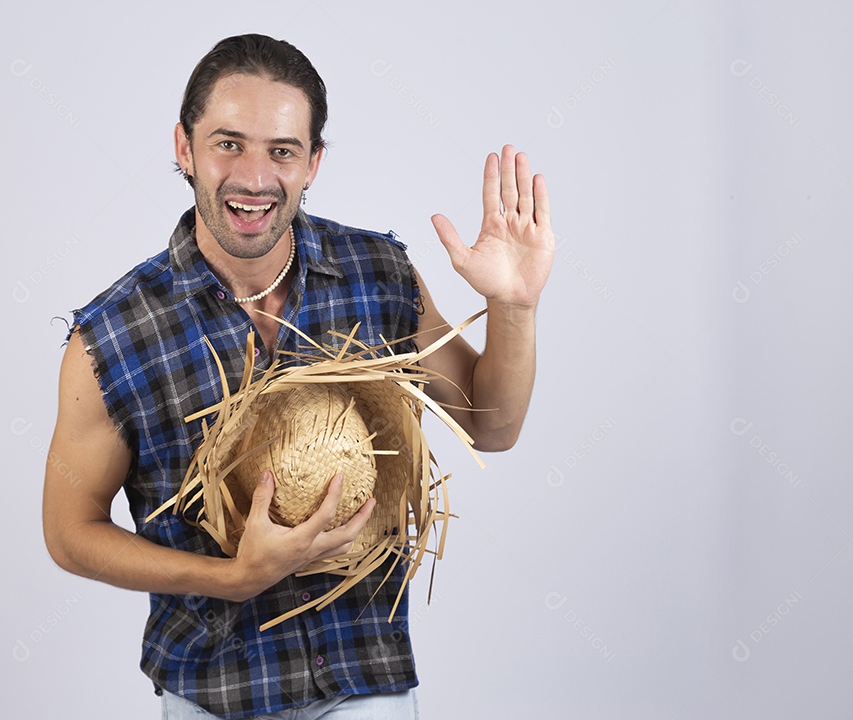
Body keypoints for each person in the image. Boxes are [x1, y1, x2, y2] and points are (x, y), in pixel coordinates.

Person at [42, 33, 553, 720]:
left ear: (313, 162)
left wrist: (513, 307)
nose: (254, 177)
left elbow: (491, 427)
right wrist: (229, 578)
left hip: (364, 683)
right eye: (228, 143)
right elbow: (70, 531)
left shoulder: (379, 274)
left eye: (282, 151)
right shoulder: (113, 335)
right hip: (217, 694)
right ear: (184, 147)